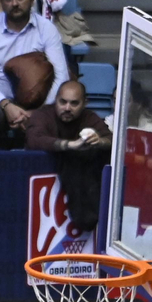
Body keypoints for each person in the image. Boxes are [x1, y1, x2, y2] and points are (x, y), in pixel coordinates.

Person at [0, 0, 70, 150]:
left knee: (42, 124)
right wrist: (6, 105)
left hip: (38, 101)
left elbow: (61, 77)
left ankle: (36, 172)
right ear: (1, 1)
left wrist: (37, 111)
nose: (14, 3)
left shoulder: (47, 29)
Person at [24, 79, 109, 229]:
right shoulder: (43, 114)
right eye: (63, 102)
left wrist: (99, 141)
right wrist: (69, 145)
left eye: (74, 103)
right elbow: (34, 140)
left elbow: (112, 140)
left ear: (85, 103)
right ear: (55, 100)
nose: (67, 108)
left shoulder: (89, 117)